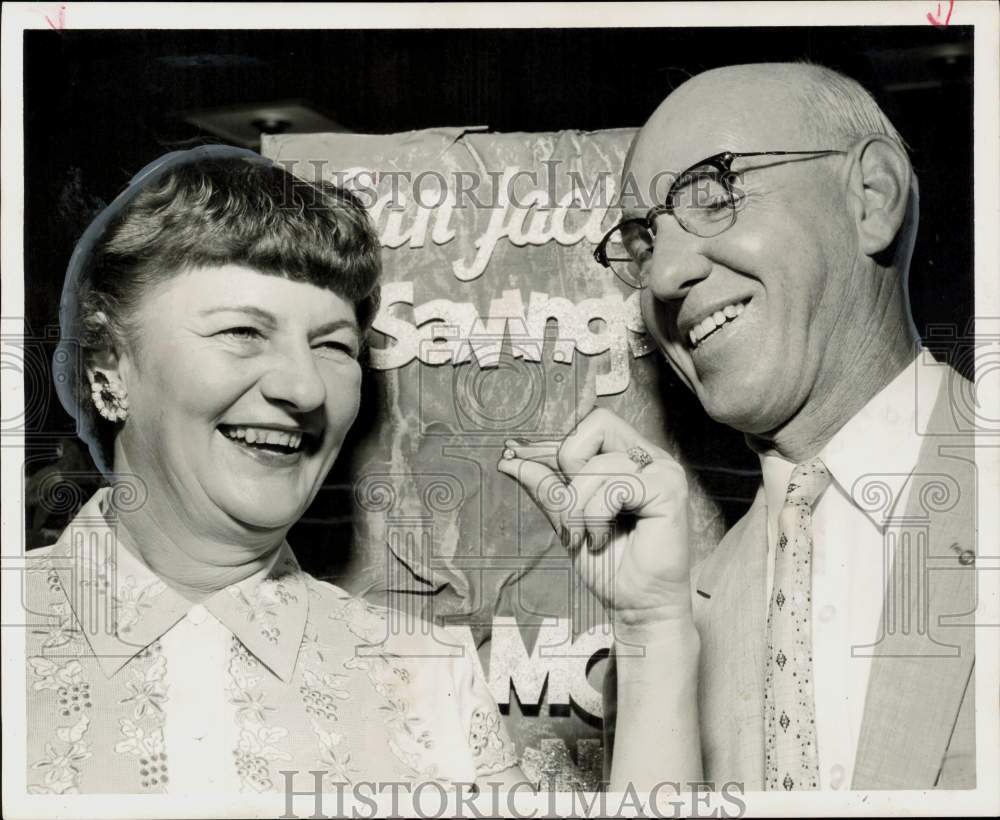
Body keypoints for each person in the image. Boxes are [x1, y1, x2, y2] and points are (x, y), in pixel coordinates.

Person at [500, 62, 976, 791]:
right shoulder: (671, 625)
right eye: (643, 239)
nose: (663, 277)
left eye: (712, 194)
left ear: (872, 197)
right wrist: (651, 637)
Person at [25, 146, 522, 795]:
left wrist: (650, 626)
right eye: (243, 332)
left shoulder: (428, 674)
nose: (305, 388)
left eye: (334, 346)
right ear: (110, 364)